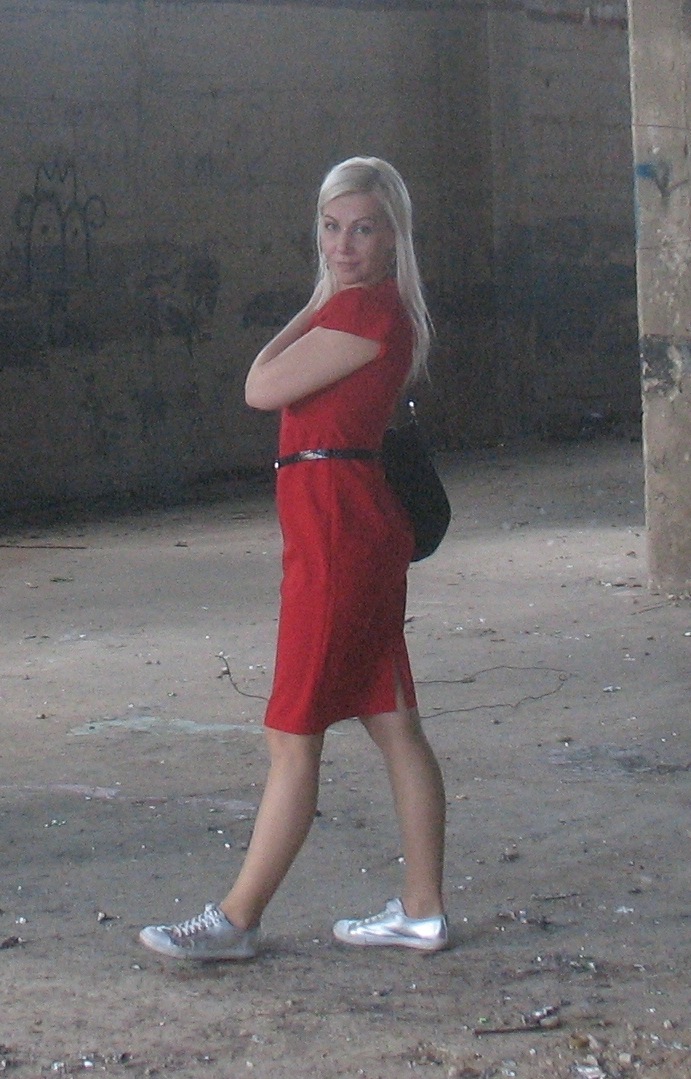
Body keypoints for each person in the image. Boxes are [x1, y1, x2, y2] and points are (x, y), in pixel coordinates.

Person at [138, 156, 448, 960]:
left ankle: (235, 919)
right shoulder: (366, 309)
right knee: (393, 722)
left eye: (362, 229)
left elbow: (259, 385)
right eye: (330, 227)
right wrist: (319, 300)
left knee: (292, 734)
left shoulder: (363, 311)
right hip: (347, 528)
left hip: (340, 537)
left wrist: (311, 304)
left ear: (392, 237)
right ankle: (421, 911)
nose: (342, 245)